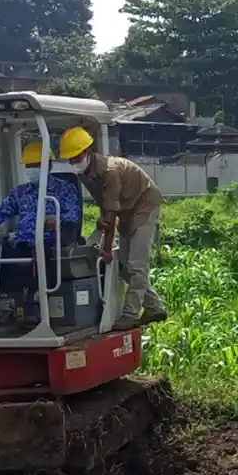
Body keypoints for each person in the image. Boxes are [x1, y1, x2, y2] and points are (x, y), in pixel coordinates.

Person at [59, 125, 167, 331]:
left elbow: (111, 214)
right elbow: (106, 206)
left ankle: (130, 314)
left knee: (136, 266)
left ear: (88, 151)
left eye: (76, 156)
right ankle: (154, 307)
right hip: (125, 209)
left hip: (144, 205)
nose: (73, 162)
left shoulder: (111, 170)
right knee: (124, 267)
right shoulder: (86, 174)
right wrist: (101, 229)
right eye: (70, 159)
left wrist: (106, 249)